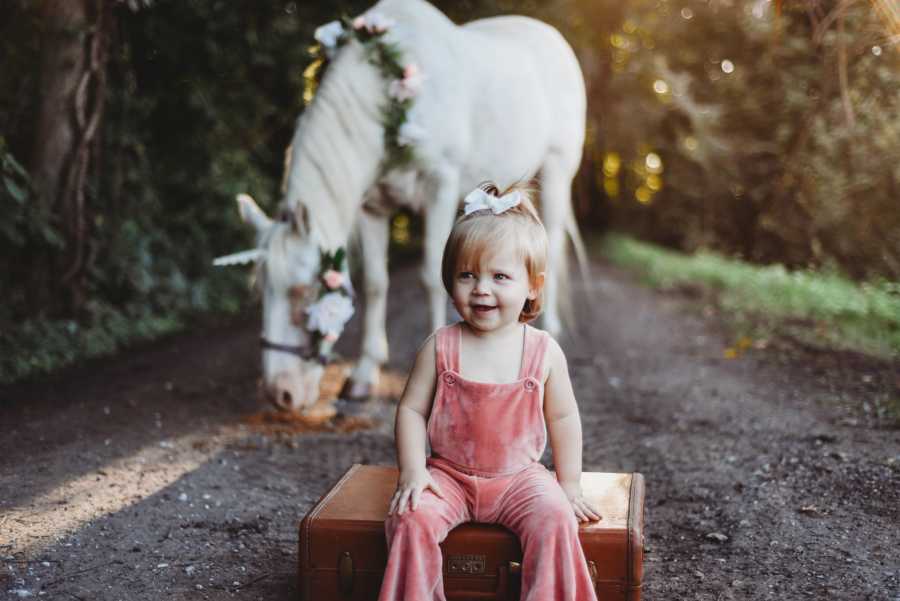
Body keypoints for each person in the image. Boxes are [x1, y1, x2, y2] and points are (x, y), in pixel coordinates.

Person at [378, 182, 602, 601]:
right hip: (449, 476)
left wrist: (569, 484)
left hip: (518, 479)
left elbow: (564, 418)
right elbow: (410, 411)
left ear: (533, 286)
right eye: (467, 275)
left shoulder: (544, 351)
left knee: (556, 518)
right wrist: (413, 471)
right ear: (450, 280)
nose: (481, 288)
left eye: (500, 276)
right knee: (410, 518)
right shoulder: (440, 345)